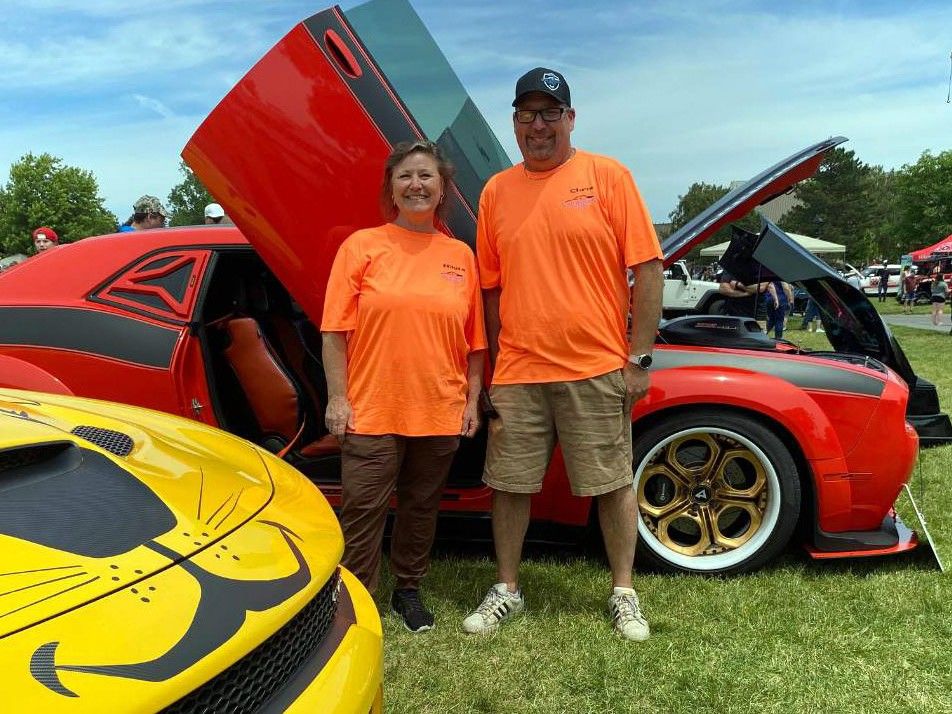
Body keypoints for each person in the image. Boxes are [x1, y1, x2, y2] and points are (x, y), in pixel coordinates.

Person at [463, 67, 664, 642]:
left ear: (571, 119)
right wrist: (498, 364)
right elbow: (492, 289)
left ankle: (623, 591)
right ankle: (507, 588)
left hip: (596, 367)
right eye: (528, 115)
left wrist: (639, 357)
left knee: (611, 483)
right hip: (521, 372)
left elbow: (647, 269)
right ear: (515, 124)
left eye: (551, 113)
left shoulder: (607, 176)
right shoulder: (497, 191)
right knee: (510, 485)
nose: (539, 125)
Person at [321, 140, 486, 633]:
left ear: (443, 189)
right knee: (363, 508)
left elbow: (474, 341)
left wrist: (472, 400)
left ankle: (408, 591)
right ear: (391, 188)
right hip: (371, 407)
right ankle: (356, 597)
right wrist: (337, 397)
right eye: (405, 177)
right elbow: (334, 331)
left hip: (439, 407)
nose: (416, 185)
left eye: (426, 177)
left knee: (421, 507)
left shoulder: (460, 256)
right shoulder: (362, 246)